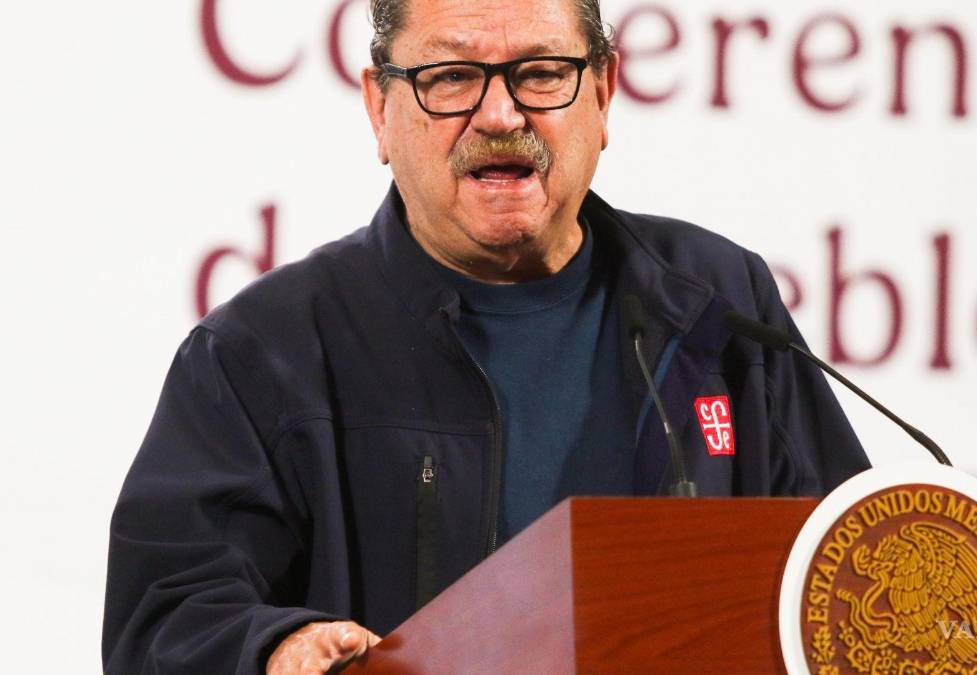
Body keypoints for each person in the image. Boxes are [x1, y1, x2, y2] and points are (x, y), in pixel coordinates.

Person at [102, 0, 870, 672]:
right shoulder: (265, 351)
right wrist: (275, 647)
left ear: (603, 93)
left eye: (541, 73)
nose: (500, 116)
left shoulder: (716, 306)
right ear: (379, 109)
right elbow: (166, 616)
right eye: (451, 78)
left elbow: (852, 569)